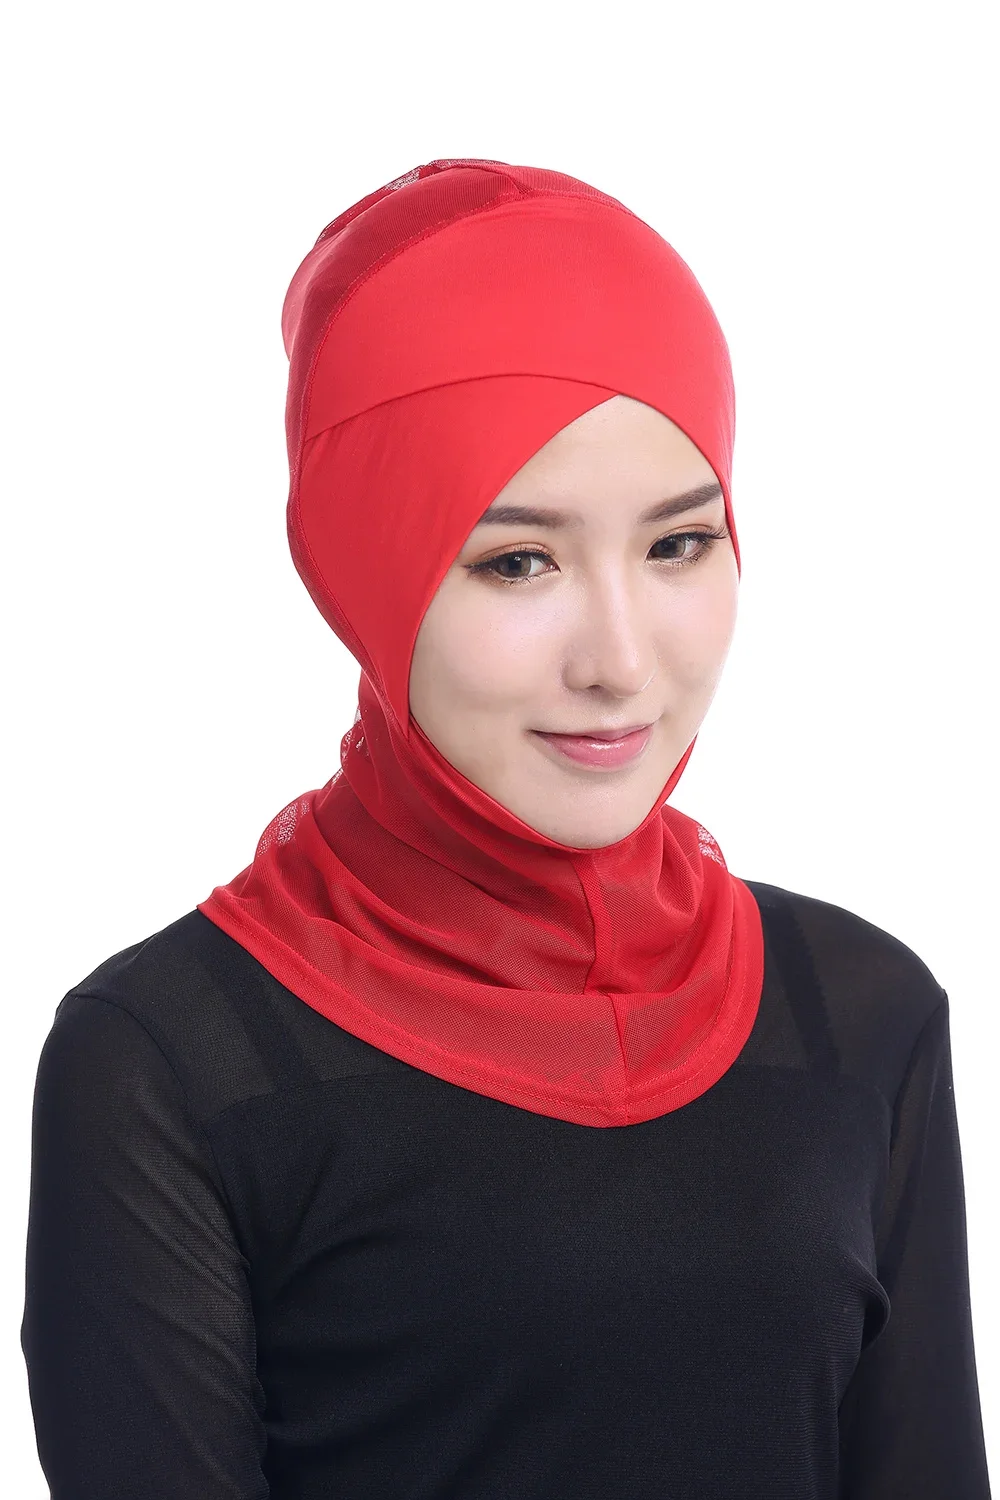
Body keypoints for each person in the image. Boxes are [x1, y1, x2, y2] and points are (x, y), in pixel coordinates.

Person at [20, 158, 992, 1499]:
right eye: (517, 560)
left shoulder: (859, 1012)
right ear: (369, 563)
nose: (621, 662)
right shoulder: (173, 1061)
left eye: (678, 544)